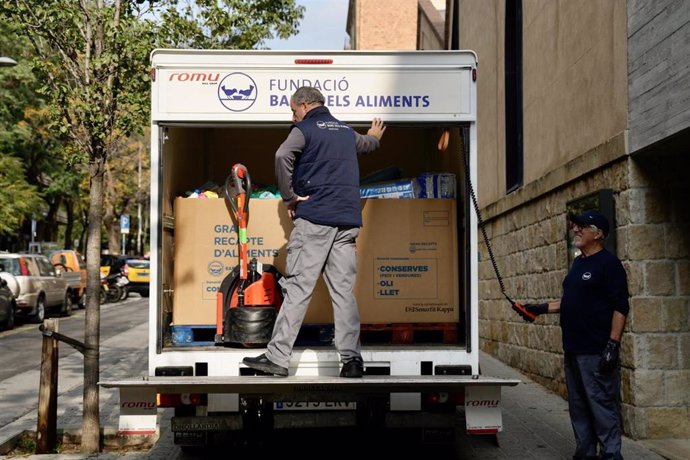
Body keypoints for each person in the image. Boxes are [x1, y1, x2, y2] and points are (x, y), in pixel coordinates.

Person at [243, 86, 386, 378]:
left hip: (316, 221)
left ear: (304, 105)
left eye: (293, 110)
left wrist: (289, 196)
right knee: (343, 293)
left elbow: (282, 156)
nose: (292, 116)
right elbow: (367, 146)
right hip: (347, 223)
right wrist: (374, 136)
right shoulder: (345, 132)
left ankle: (277, 358)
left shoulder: (304, 129)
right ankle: (352, 361)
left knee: (298, 290)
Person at [514, 210, 629, 460]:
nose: (575, 229)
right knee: (578, 406)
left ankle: (611, 455)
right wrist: (540, 309)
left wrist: (612, 344)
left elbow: (621, 306)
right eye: (575, 226)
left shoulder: (610, 265)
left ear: (597, 234)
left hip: (595, 349)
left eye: (582, 226)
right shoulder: (578, 263)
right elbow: (570, 302)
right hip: (573, 348)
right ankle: (585, 453)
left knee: (601, 405)